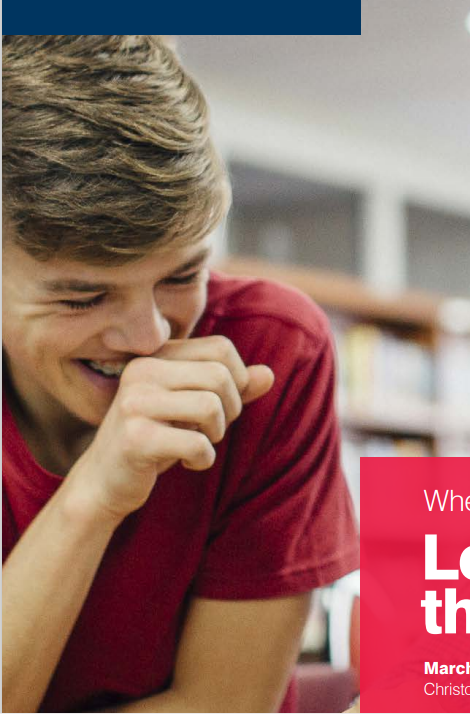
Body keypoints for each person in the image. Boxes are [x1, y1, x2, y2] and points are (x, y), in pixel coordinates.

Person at [2, 35, 360, 712]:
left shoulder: (271, 352)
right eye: (82, 297)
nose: (150, 337)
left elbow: (227, 703)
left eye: (182, 275)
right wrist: (92, 498)